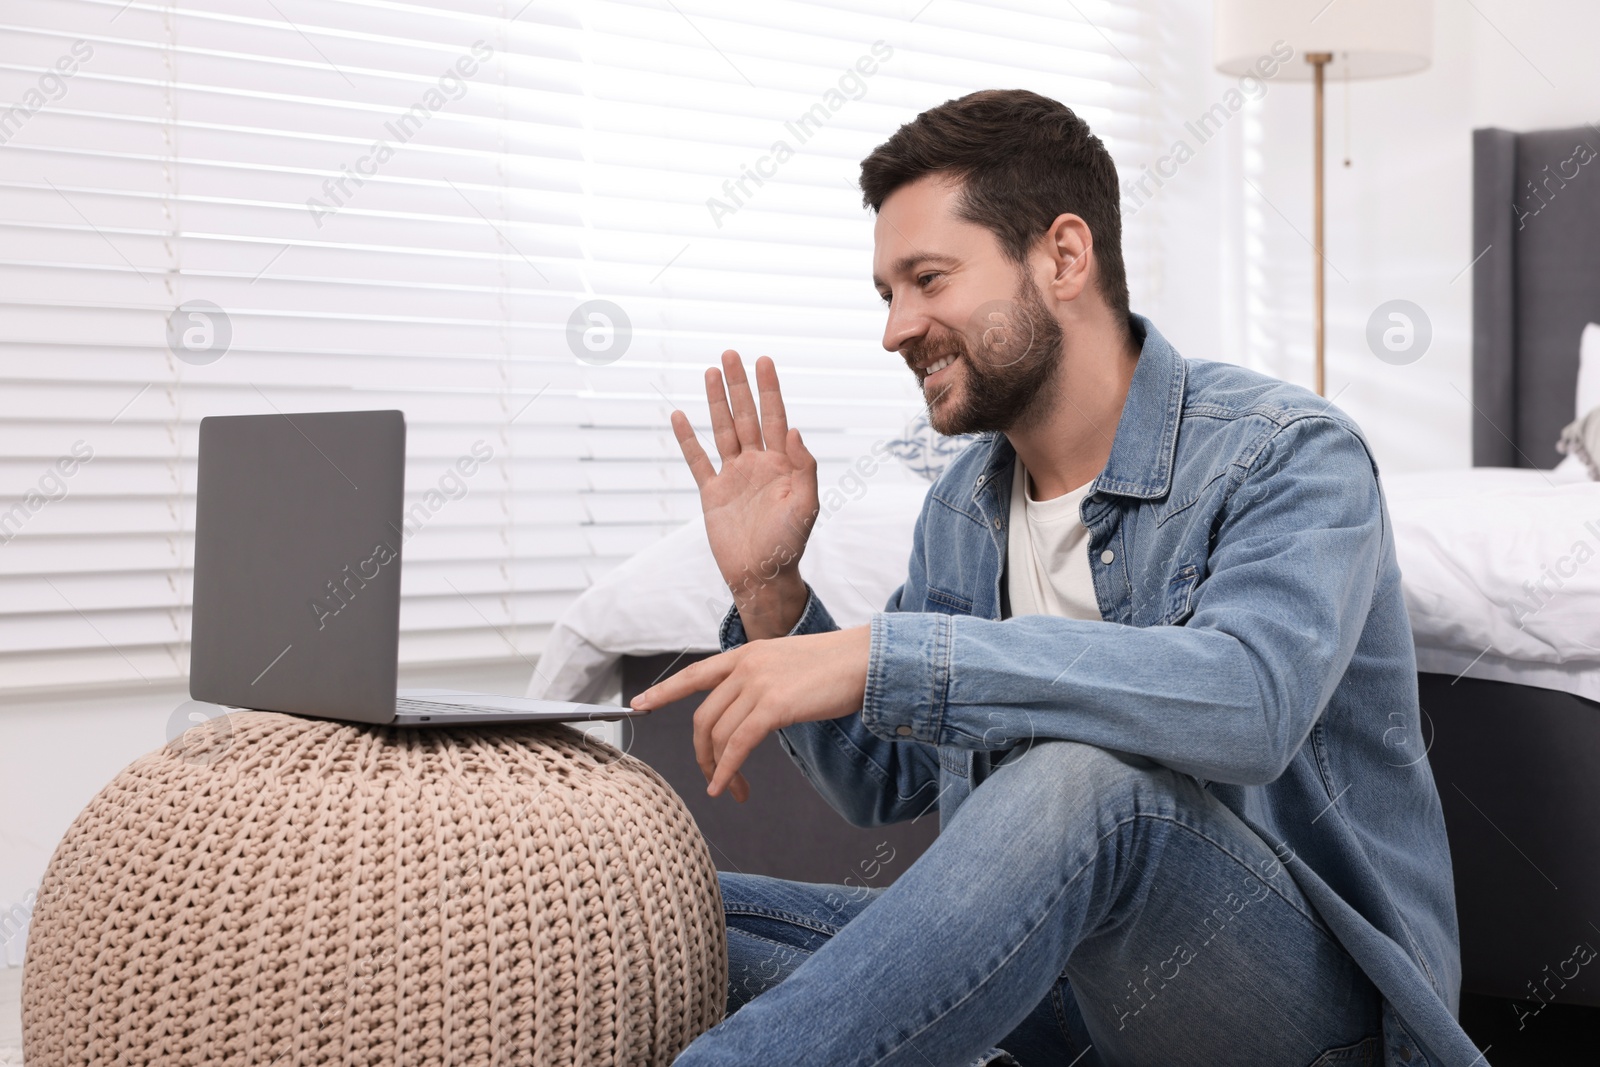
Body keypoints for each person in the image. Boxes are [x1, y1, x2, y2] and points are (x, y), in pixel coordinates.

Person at [633, 89, 1483, 1066]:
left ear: (1064, 257)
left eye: (927, 278)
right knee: (655, 911)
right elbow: (890, 779)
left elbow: (1247, 703)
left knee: (1084, 778)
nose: (896, 329)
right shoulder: (965, 503)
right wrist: (773, 593)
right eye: (886, 293)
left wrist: (890, 652)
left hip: (1299, 1015)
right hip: (1076, 1002)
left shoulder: (1287, 456)